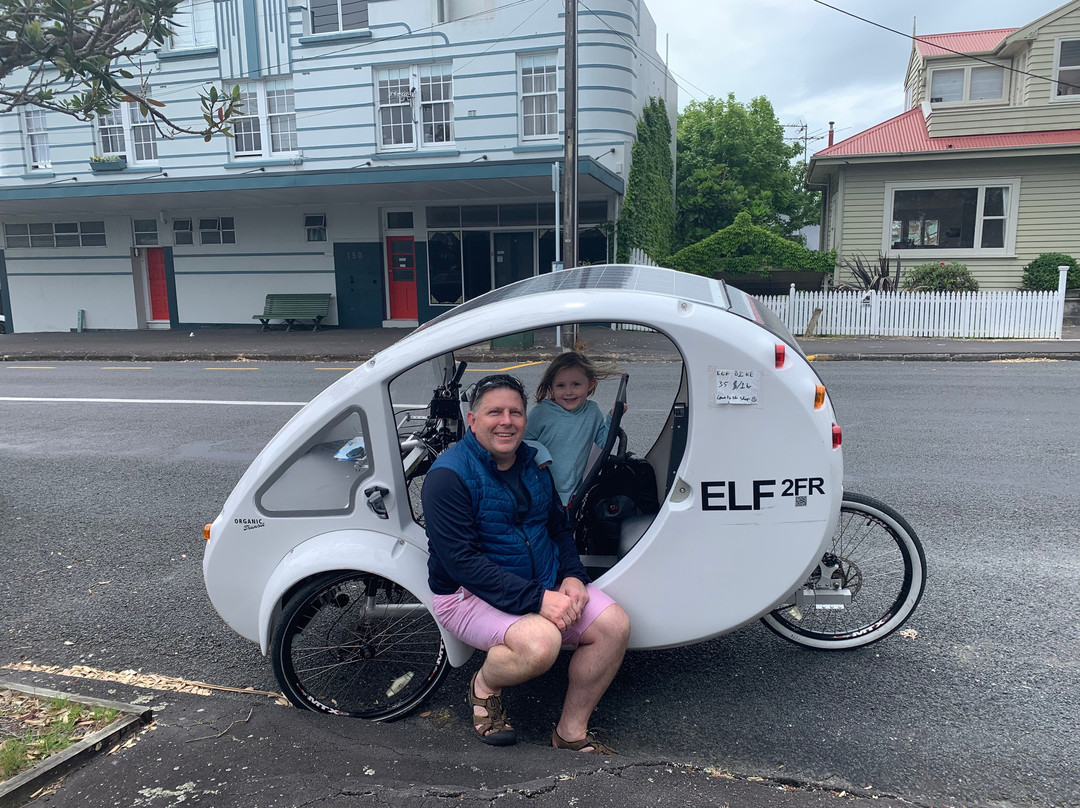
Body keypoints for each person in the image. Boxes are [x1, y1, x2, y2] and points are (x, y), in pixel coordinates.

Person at [421, 373, 631, 753]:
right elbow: (461, 562)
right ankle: (483, 686)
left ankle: (570, 732)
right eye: (494, 412)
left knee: (614, 624)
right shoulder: (448, 477)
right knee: (539, 644)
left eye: (515, 412)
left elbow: (558, 528)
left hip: (542, 585)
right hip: (466, 595)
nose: (507, 421)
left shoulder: (535, 464)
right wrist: (538, 600)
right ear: (472, 421)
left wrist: (572, 575)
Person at [524, 352, 622, 506]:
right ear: (551, 387)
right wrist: (540, 452)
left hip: (572, 494)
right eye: (560, 385)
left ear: (590, 384)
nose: (568, 392)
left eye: (576, 384)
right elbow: (522, 440)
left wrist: (612, 417)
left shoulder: (592, 411)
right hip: (539, 489)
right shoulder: (542, 412)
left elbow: (603, 442)